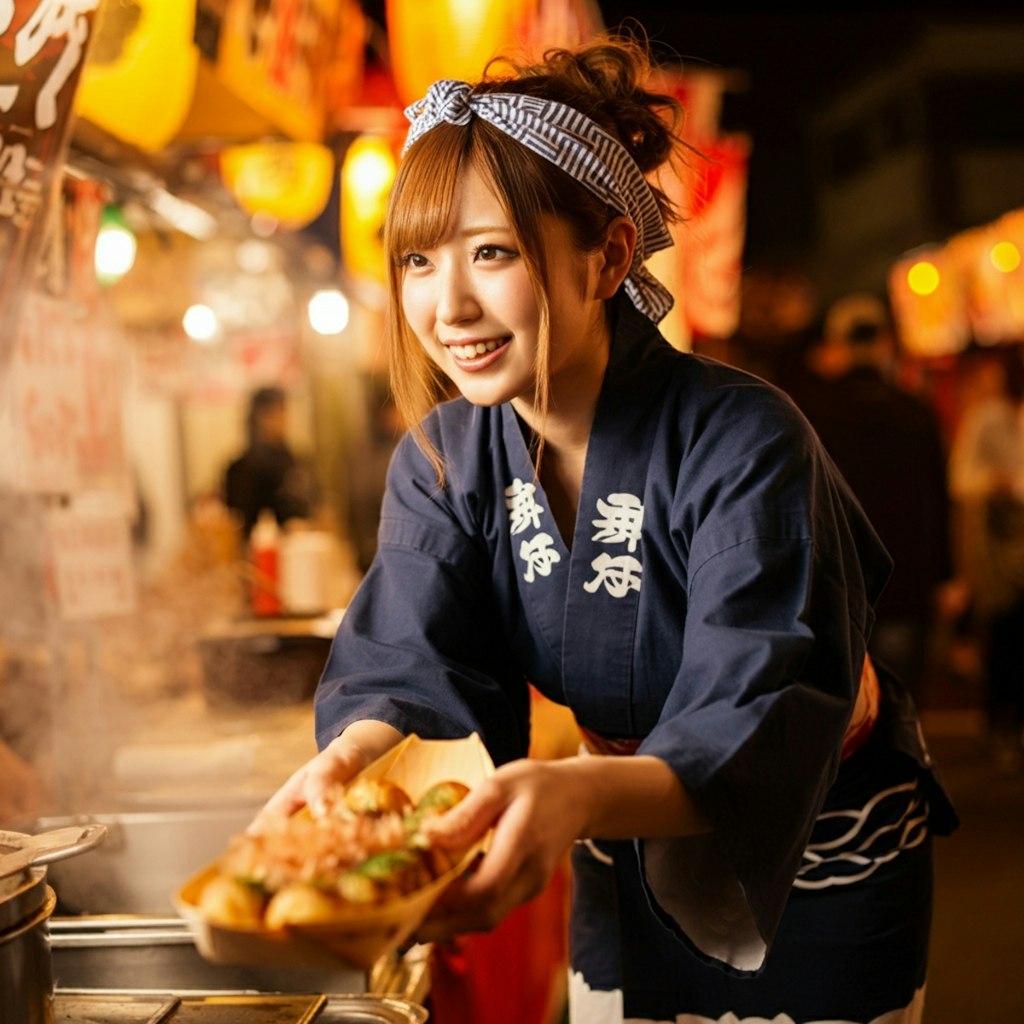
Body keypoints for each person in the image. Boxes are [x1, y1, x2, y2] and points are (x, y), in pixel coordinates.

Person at [258, 38, 958, 1023]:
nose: (446, 304)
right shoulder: (444, 459)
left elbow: (758, 700)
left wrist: (576, 792)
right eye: (417, 258)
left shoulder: (743, 435)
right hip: (614, 828)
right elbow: (410, 658)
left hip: (820, 832)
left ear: (611, 256)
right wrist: (345, 763)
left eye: (491, 252)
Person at [795, 292, 956, 705]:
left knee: (840, 708)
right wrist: (945, 574)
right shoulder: (915, 412)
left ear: (837, 344)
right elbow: (937, 499)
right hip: (905, 574)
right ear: (886, 341)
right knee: (897, 700)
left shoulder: (812, 412)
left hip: (833, 577)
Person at [947, 347, 1024, 774]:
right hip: (998, 539)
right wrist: (993, 484)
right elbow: (961, 476)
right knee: (1004, 632)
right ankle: (1000, 723)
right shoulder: (988, 417)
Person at [223, 385, 317, 538]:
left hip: (299, 547)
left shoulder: (292, 459)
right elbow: (239, 523)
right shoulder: (240, 470)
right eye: (276, 413)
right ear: (259, 418)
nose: (284, 419)